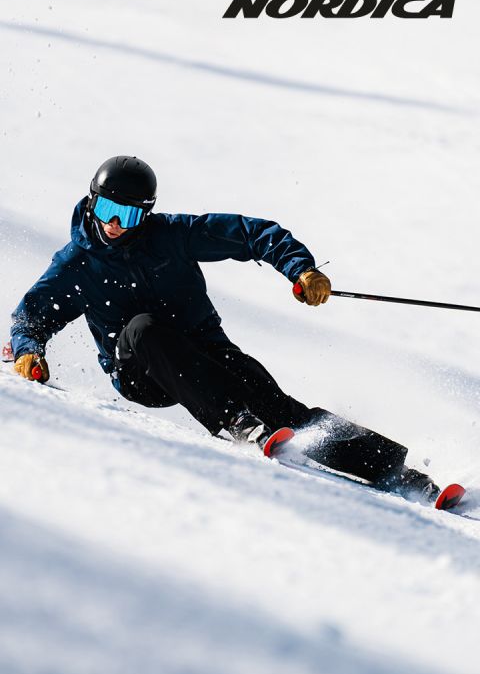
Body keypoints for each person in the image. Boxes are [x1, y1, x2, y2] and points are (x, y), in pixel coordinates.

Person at [10, 155, 438, 500]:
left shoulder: (172, 235)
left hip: (205, 354)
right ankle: (238, 423)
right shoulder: (76, 264)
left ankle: (398, 472)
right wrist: (29, 349)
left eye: (127, 214)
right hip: (140, 371)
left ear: (146, 214)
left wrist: (300, 270)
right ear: (91, 202)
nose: (115, 224)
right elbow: (31, 315)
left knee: (282, 409)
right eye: (106, 209)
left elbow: (251, 233)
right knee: (144, 327)